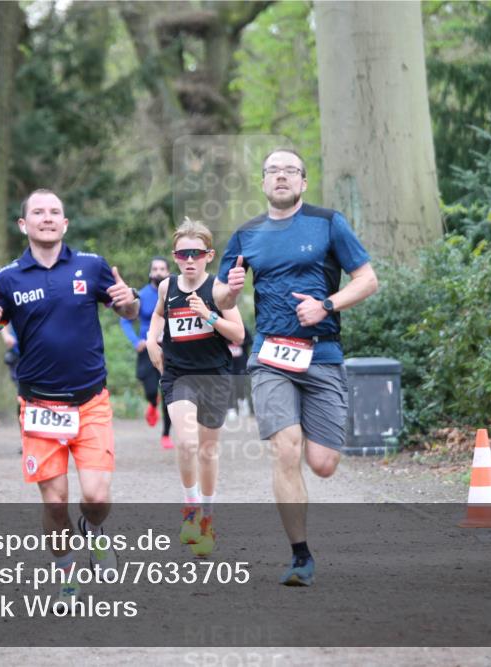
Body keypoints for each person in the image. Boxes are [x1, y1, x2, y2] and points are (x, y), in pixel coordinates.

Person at [214, 149, 378, 586]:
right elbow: (219, 297)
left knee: (322, 464)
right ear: (263, 182)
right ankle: (300, 557)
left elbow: (367, 279)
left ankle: (307, 432)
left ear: (303, 182)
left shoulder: (328, 223)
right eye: (273, 171)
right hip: (270, 357)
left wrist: (327, 305)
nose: (281, 176)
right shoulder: (247, 234)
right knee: (286, 448)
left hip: (322, 356)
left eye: (290, 171)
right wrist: (228, 293)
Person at [0, 189, 140, 608]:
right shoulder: (7, 278)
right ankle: (66, 574)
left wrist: (129, 302)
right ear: (23, 225)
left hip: (90, 402)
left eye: (55, 212)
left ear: (65, 224)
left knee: (96, 498)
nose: (47, 218)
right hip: (39, 407)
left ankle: (94, 531)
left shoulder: (91, 266)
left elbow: (130, 311)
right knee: (55, 500)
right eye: (38, 212)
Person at [146, 218, 244, 558]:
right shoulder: (166, 287)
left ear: (208, 255)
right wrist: (150, 339)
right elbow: (159, 315)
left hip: (215, 375)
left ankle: (208, 518)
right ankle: (190, 508)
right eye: (183, 253)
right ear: (174, 256)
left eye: (196, 254)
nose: (190, 260)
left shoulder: (217, 290)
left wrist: (210, 316)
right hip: (178, 374)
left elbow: (239, 335)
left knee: (207, 451)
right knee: (186, 443)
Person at [119, 256, 173, 448]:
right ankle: (152, 402)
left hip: (170, 348)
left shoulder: (175, 293)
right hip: (147, 347)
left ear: (168, 272)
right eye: (155, 269)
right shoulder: (141, 296)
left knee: (169, 390)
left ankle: (166, 434)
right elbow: (125, 320)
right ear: (150, 272)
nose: (158, 272)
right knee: (150, 387)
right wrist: (136, 341)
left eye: (162, 269)